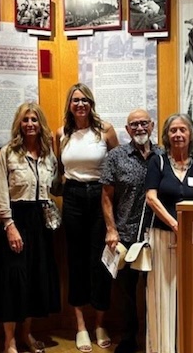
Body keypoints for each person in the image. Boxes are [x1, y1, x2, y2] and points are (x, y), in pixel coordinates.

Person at [0, 102, 61, 353]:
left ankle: (26, 334)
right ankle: (9, 340)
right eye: (25, 119)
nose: (30, 124)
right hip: (14, 220)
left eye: (34, 119)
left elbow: (54, 186)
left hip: (39, 223)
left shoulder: (48, 154)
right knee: (13, 280)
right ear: (18, 124)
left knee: (33, 279)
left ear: (41, 124)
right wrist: (9, 225)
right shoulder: (8, 153)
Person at [55, 83, 119, 353]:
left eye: (84, 100)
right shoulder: (60, 133)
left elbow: (118, 162)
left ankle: (100, 323)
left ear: (91, 104)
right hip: (72, 197)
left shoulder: (105, 130)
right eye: (75, 100)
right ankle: (81, 325)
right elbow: (59, 169)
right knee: (76, 261)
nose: (80, 104)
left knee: (102, 261)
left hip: (100, 196)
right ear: (70, 105)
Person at [145, 113, 193, 353]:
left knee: (190, 295)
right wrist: (175, 224)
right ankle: (161, 348)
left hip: (192, 240)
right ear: (166, 135)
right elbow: (151, 198)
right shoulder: (157, 161)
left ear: (191, 134)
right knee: (161, 295)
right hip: (161, 237)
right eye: (173, 130)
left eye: (183, 129)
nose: (178, 134)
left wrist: (192, 229)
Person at [100, 109, 162, 353]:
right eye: (134, 124)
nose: (139, 128)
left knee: (154, 290)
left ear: (152, 125)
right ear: (126, 130)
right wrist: (111, 229)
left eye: (144, 123)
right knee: (126, 293)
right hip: (125, 234)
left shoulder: (163, 155)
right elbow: (106, 196)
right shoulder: (116, 157)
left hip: (155, 235)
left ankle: (154, 337)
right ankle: (128, 338)